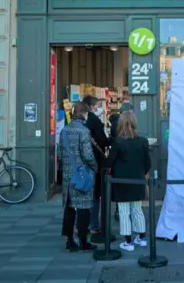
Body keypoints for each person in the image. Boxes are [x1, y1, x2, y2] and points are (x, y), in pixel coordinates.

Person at [108, 111, 150, 252]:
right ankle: (142, 237)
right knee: (137, 210)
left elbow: (110, 162)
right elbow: (147, 163)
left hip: (121, 181)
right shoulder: (143, 141)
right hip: (138, 180)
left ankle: (128, 241)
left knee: (124, 211)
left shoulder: (118, 142)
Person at [59, 102, 97, 252]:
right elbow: (88, 154)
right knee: (83, 208)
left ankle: (69, 240)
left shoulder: (64, 131)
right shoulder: (84, 131)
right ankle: (83, 241)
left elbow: (60, 154)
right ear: (83, 114)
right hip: (82, 175)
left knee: (69, 209)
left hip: (68, 176)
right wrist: (94, 166)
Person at [81, 95, 111, 237]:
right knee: (95, 195)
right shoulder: (94, 121)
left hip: (81, 163)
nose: (100, 108)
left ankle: (81, 225)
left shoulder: (78, 121)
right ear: (92, 107)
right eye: (98, 105)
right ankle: (94, 225)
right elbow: (103, 141)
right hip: (95, 162)